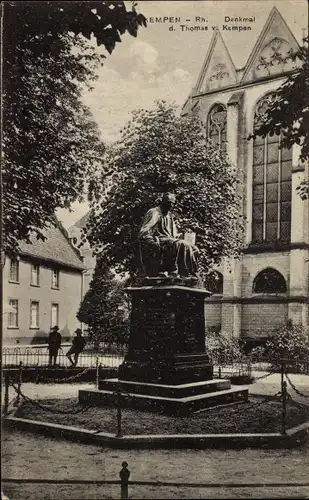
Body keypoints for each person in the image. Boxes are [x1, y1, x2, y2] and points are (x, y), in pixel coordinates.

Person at [138, 192, 198, 278]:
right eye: (169, 202)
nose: (171, 205)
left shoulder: (169, 216)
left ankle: (190, 273)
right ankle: (184, 273)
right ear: (163, 202)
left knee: (190, 246)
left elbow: (174, 234)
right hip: (158, 239)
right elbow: (144, 231)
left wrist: (184, 235)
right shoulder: (154, 212)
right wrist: (150, 241)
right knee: (181, 244)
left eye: (173, 203)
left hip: (169, 240)